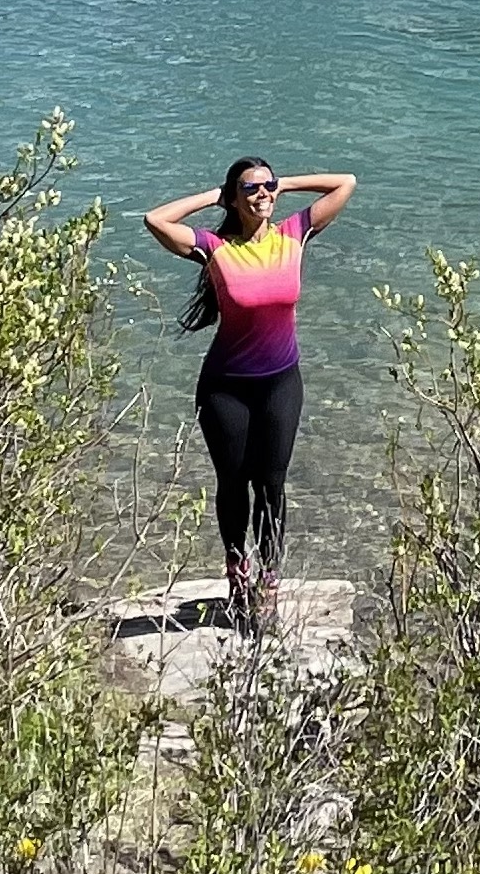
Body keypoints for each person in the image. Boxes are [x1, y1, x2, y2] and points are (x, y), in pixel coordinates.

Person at [141, 156, 355, 632]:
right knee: (234, 485)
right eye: (250, 189)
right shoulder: (214, 248)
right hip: (225, 389)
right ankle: (238, 581)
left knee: (272, 484)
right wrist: (215, 195)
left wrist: (286, 183)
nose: (262, 195)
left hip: (281, 382)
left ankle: (268, 587)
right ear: (233, 197)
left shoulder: (294, 234)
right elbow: (156, 220)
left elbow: (346, 183)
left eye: (268, 187)